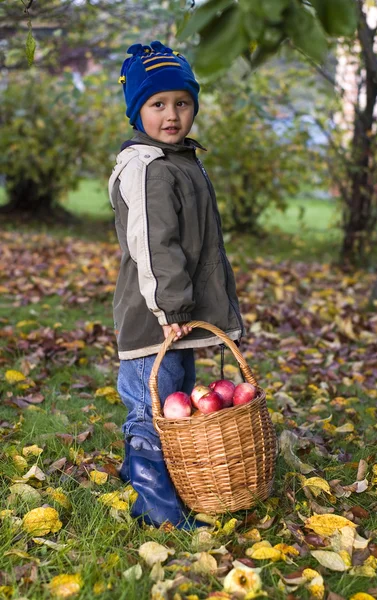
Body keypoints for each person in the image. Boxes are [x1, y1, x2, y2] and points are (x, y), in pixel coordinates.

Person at [108, 40, 243, 528]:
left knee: (175, 401)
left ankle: (143, 477)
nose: (172, 115)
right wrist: (170, 309)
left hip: (178, 320)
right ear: (136, 111)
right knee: (151, 412)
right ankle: (157, 511)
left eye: (182, 103)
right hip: (156, 320)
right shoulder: (147, 170)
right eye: (157, 104)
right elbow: (153, 245)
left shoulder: (180, 160)